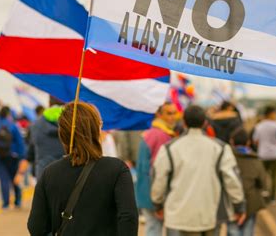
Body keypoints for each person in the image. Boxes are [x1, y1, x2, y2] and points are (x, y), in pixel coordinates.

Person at [27, 102, 138, 236]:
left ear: (62, 133)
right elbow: (128, 218)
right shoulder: (117, 170)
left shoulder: (49, 173)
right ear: (96, 130)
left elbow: (36, 227)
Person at [151, 105, 246, 236]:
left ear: (183, 122)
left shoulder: (169, 148)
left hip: (179, 216)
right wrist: (239, 206)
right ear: (205, 123)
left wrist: (158, 204)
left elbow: (159, 179)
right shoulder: (220, 148)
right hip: (210, 214)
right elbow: (232, 180)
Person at [135, 102, 178, 236]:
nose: (172, 117)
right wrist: (156, 200)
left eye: (174, 113)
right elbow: (157, 170)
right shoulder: (161, 135)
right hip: (154, 193)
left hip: (146, 191)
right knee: (156, 228)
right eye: (169, 113)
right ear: (159, 115)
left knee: (152, 227)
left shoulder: (151, 133)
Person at [228, 129, 268, 236]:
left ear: (231, 142)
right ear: (248, 142)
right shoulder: (255, 160)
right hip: (250, 203)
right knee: (248, 232)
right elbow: (263, 183)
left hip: (230, 202)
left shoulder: (227, 158)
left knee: (233, 231)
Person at [0, 106, 26, 209]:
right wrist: (22, 156)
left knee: (3, 179)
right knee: (15, 178)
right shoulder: (13, 126)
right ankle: (17, 201)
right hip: (13, 155)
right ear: (8, 114)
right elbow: (20, 142)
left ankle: (5, 203)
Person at [27, 97, 65, 180]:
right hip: (67, 172)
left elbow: (31, 150)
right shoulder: (73, 123)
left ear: (49, 103)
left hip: (43, 172)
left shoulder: (36, 124)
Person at [252, 106, 276, 203]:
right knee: (273, 177)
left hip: (263, 154)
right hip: (274, 154)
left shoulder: (259, 126)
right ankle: (273, 197)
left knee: (263, 176)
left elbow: (255, 140)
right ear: (271, 114)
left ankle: (264, 195)